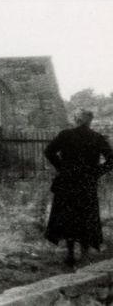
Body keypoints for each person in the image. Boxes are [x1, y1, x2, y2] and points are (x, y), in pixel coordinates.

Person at [44, 109, 113, 267]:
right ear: (90, 121)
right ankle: (84, 255)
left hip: (68, 181)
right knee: (86, 217)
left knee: (68, 216)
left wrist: (62, 168)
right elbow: (111, 160)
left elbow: (49, 152)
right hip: (86, 183)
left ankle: (70, 254)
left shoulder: (65, 134)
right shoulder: (97, 137)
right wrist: (96, 173)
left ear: (76, 120)